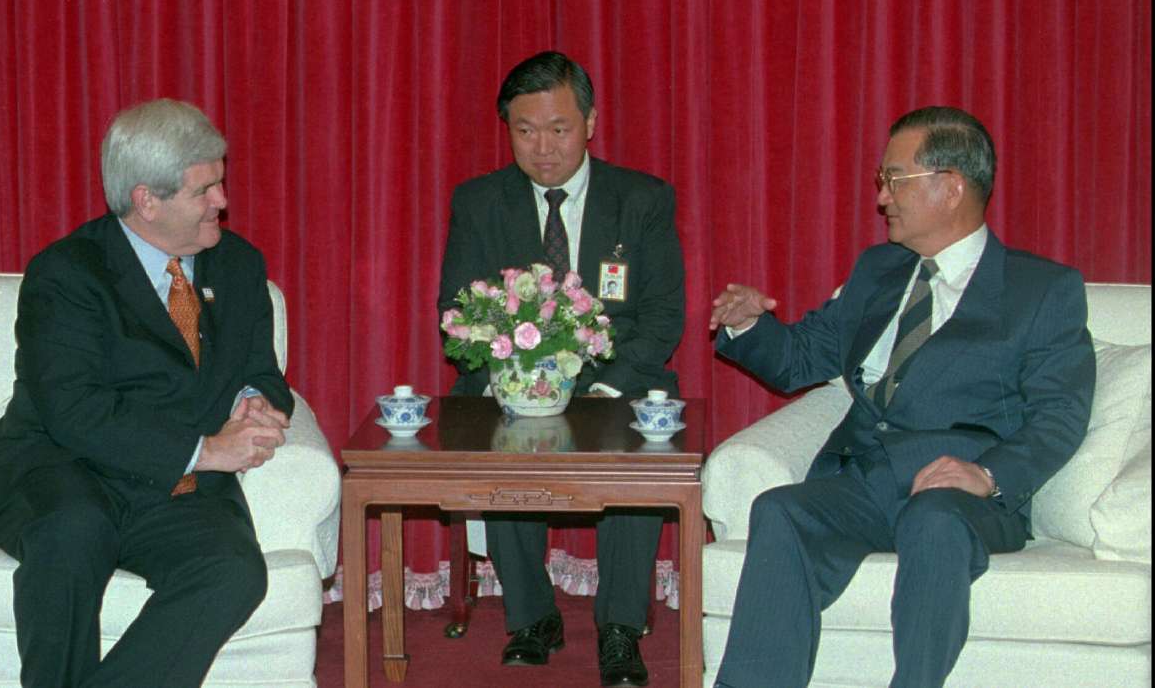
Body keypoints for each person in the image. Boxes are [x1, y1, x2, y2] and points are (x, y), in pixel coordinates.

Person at [706, 106, 1095, 687]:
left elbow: (1061, 412)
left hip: (961, 498)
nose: (883, 196)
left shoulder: (1040, 289)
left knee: (933, 520)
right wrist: (746, 326)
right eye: (881, 181)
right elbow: (801, 360)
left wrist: (988, 474)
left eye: (895, 179)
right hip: (864, 483)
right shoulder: (878, 271)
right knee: (781, 509)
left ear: (952, 186)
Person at [0, 99, 294, 688]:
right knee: (72, 533)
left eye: (221, 182)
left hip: (175, 490)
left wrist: (255, 400)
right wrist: (206, 450)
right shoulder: (68, 273)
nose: (222, 201)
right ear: (147, 199)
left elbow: (261, 368)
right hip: (61, 465)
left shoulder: (239, 264)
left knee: (233, 569)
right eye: (205, 189)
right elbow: (73, 411)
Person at [438, 51, 685, 687]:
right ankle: (531, 618)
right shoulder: (478, 201)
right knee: (499, 434)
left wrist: (598, 386)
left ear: (591, 123)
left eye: (559, 129)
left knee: (642, 441)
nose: (542, 147)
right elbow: (456, 312)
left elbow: (662, 317)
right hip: (512, 380)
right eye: (525, 131)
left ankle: (622, 627)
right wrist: (517, 380)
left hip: (617, 378)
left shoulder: (643, 199)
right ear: (507, 129)